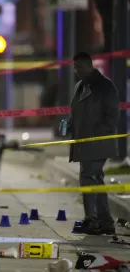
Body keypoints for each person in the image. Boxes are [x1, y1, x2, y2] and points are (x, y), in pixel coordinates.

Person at [61, 52, 119, 235]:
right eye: (75, 67)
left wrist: (96, 134)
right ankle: (106, 221)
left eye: (79, 67)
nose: (76, 71)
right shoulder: (80, 86)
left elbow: (112, 117)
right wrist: (71, 123)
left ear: (89, 65)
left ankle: (92, 220)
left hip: (97, 142)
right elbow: (79, 111)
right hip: (84, 143)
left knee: (88, 176)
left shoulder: (105, 86)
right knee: (95, 178)